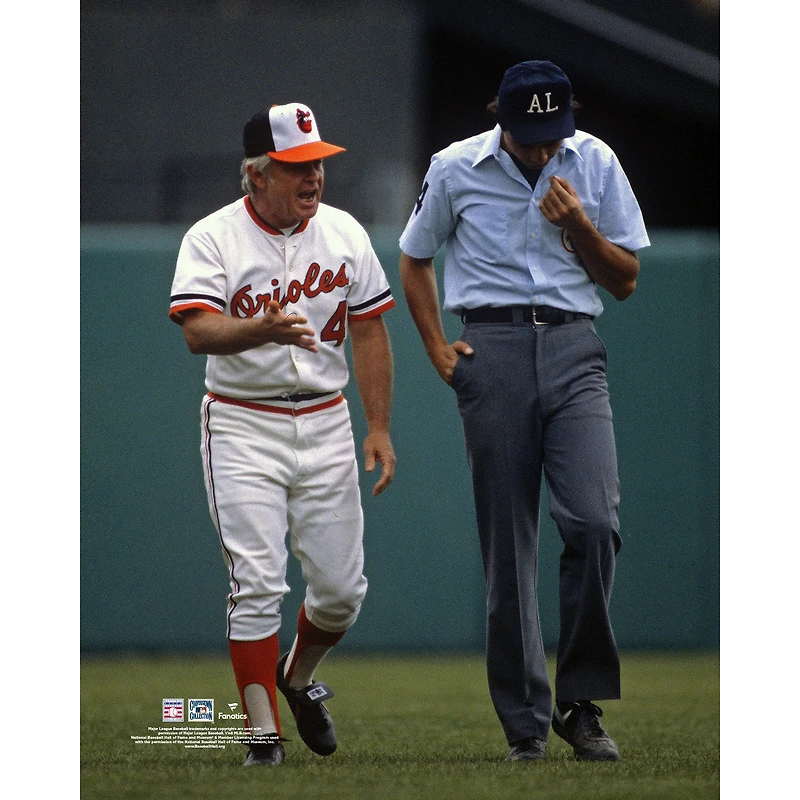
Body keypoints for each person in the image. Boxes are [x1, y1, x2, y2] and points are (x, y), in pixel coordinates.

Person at [398, 61, 649, 763]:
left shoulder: (595, 161)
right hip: (494, 346)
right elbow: (414, 258)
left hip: (574, 346)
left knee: (595, 523)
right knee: (508, 550)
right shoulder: (454, 167)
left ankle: (581, 703)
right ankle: (524, 724)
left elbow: (625, 280)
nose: (541, 151)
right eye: (528, 136)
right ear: (499, 118)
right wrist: (438, 352)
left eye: (551, 135)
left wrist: (579, 229)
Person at [169, 102, 397, 766]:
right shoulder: (212, 237)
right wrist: (258, 331)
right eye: (296, 166)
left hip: (327, 420)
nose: (313, 177)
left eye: (318, 163)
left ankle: (295, 680)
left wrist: (378, 425)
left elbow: (370, 327)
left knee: (342, 592)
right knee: (258, 580)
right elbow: (197, 332)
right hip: (243, 420)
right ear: (255, 175)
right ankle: (262, 738)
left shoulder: (345, 233)